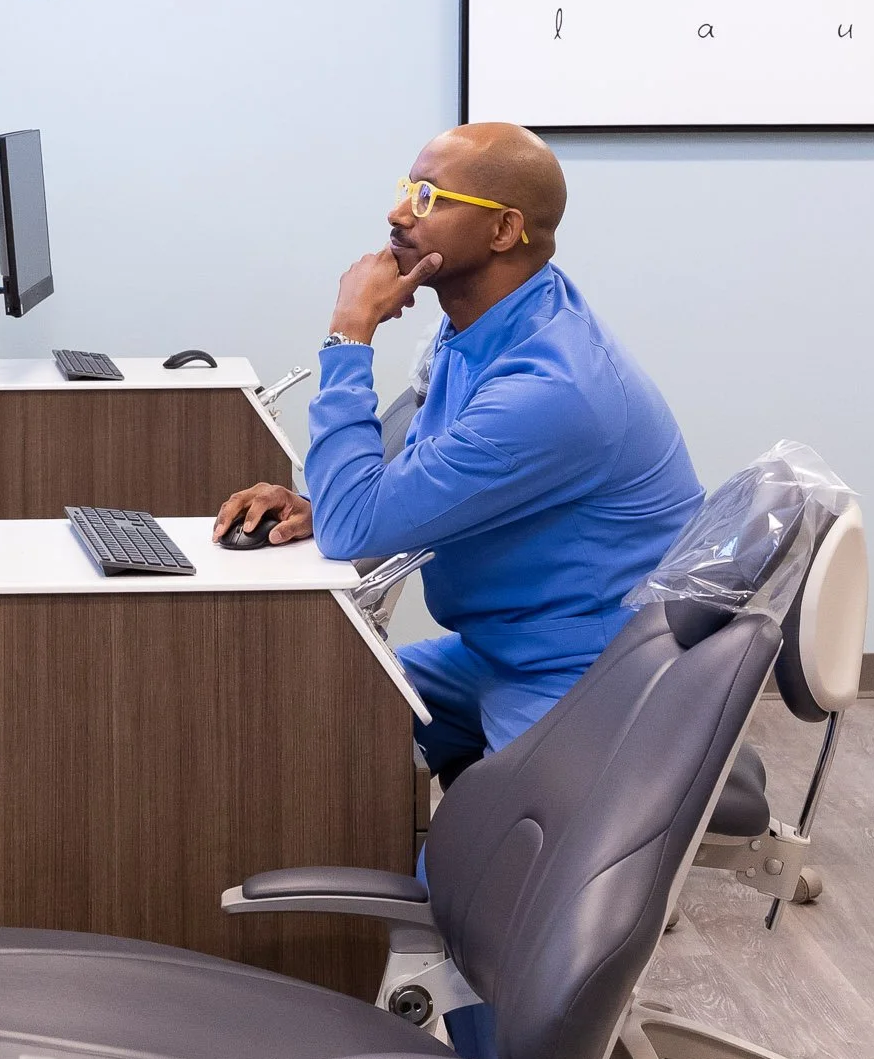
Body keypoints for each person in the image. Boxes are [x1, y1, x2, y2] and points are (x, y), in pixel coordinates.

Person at [214, 122, 702, 783]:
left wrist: (348, 337)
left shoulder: (551, 389)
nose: (396, 212)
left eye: (427, 197)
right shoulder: (486, 327)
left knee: (478, 877)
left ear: (502, 231)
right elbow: (406, 486)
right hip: (497, 653)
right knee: (301, 714)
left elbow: (358, 528)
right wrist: (316, 502)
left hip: (591, 676)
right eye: (406, 190)